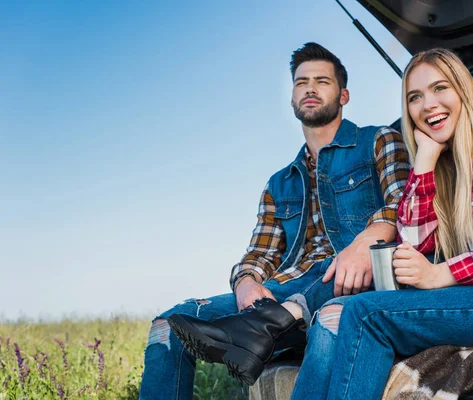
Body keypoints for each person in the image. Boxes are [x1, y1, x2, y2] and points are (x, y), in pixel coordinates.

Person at [289, 48, 473, 400]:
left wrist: (440, 274)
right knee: (330, 317)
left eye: (440, 88)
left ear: (463, 90)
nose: (428, 104)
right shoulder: (450, 169)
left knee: (366, 315)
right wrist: (425, 162)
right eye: (415, 97)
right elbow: (413, 243)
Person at [138, 42, 410, 399]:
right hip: (284, 290)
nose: (310, 88)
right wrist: (246, 282)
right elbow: (259, 253)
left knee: (330, 310)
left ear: (343, 95)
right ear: (292, 99)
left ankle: (263, 328)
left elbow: (406, 203)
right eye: (301, 82)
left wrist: (364, 242)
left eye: (322, 81)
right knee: (167, 327)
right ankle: (264, 324)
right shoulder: (279, 182)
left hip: (357, 280)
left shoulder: (379, 140)